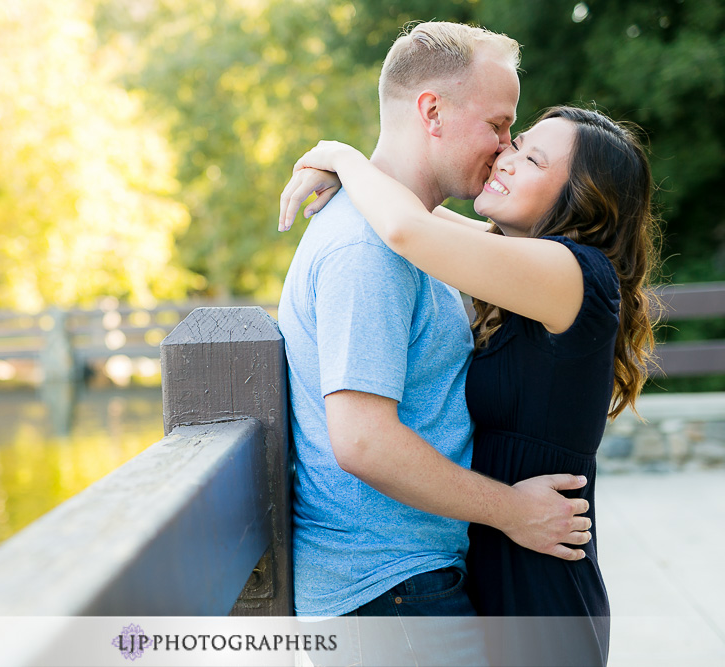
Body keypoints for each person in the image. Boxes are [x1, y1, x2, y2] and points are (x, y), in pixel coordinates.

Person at [279, 104, 658, 666]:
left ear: (581, 199)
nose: (505, 156)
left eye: (531, 158)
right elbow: (422, 217)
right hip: (496, 560)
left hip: (540, 583)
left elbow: (407, 230)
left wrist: (341, 157)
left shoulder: (573, 274)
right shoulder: (526, 265)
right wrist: (361, 175)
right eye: (515, 142)